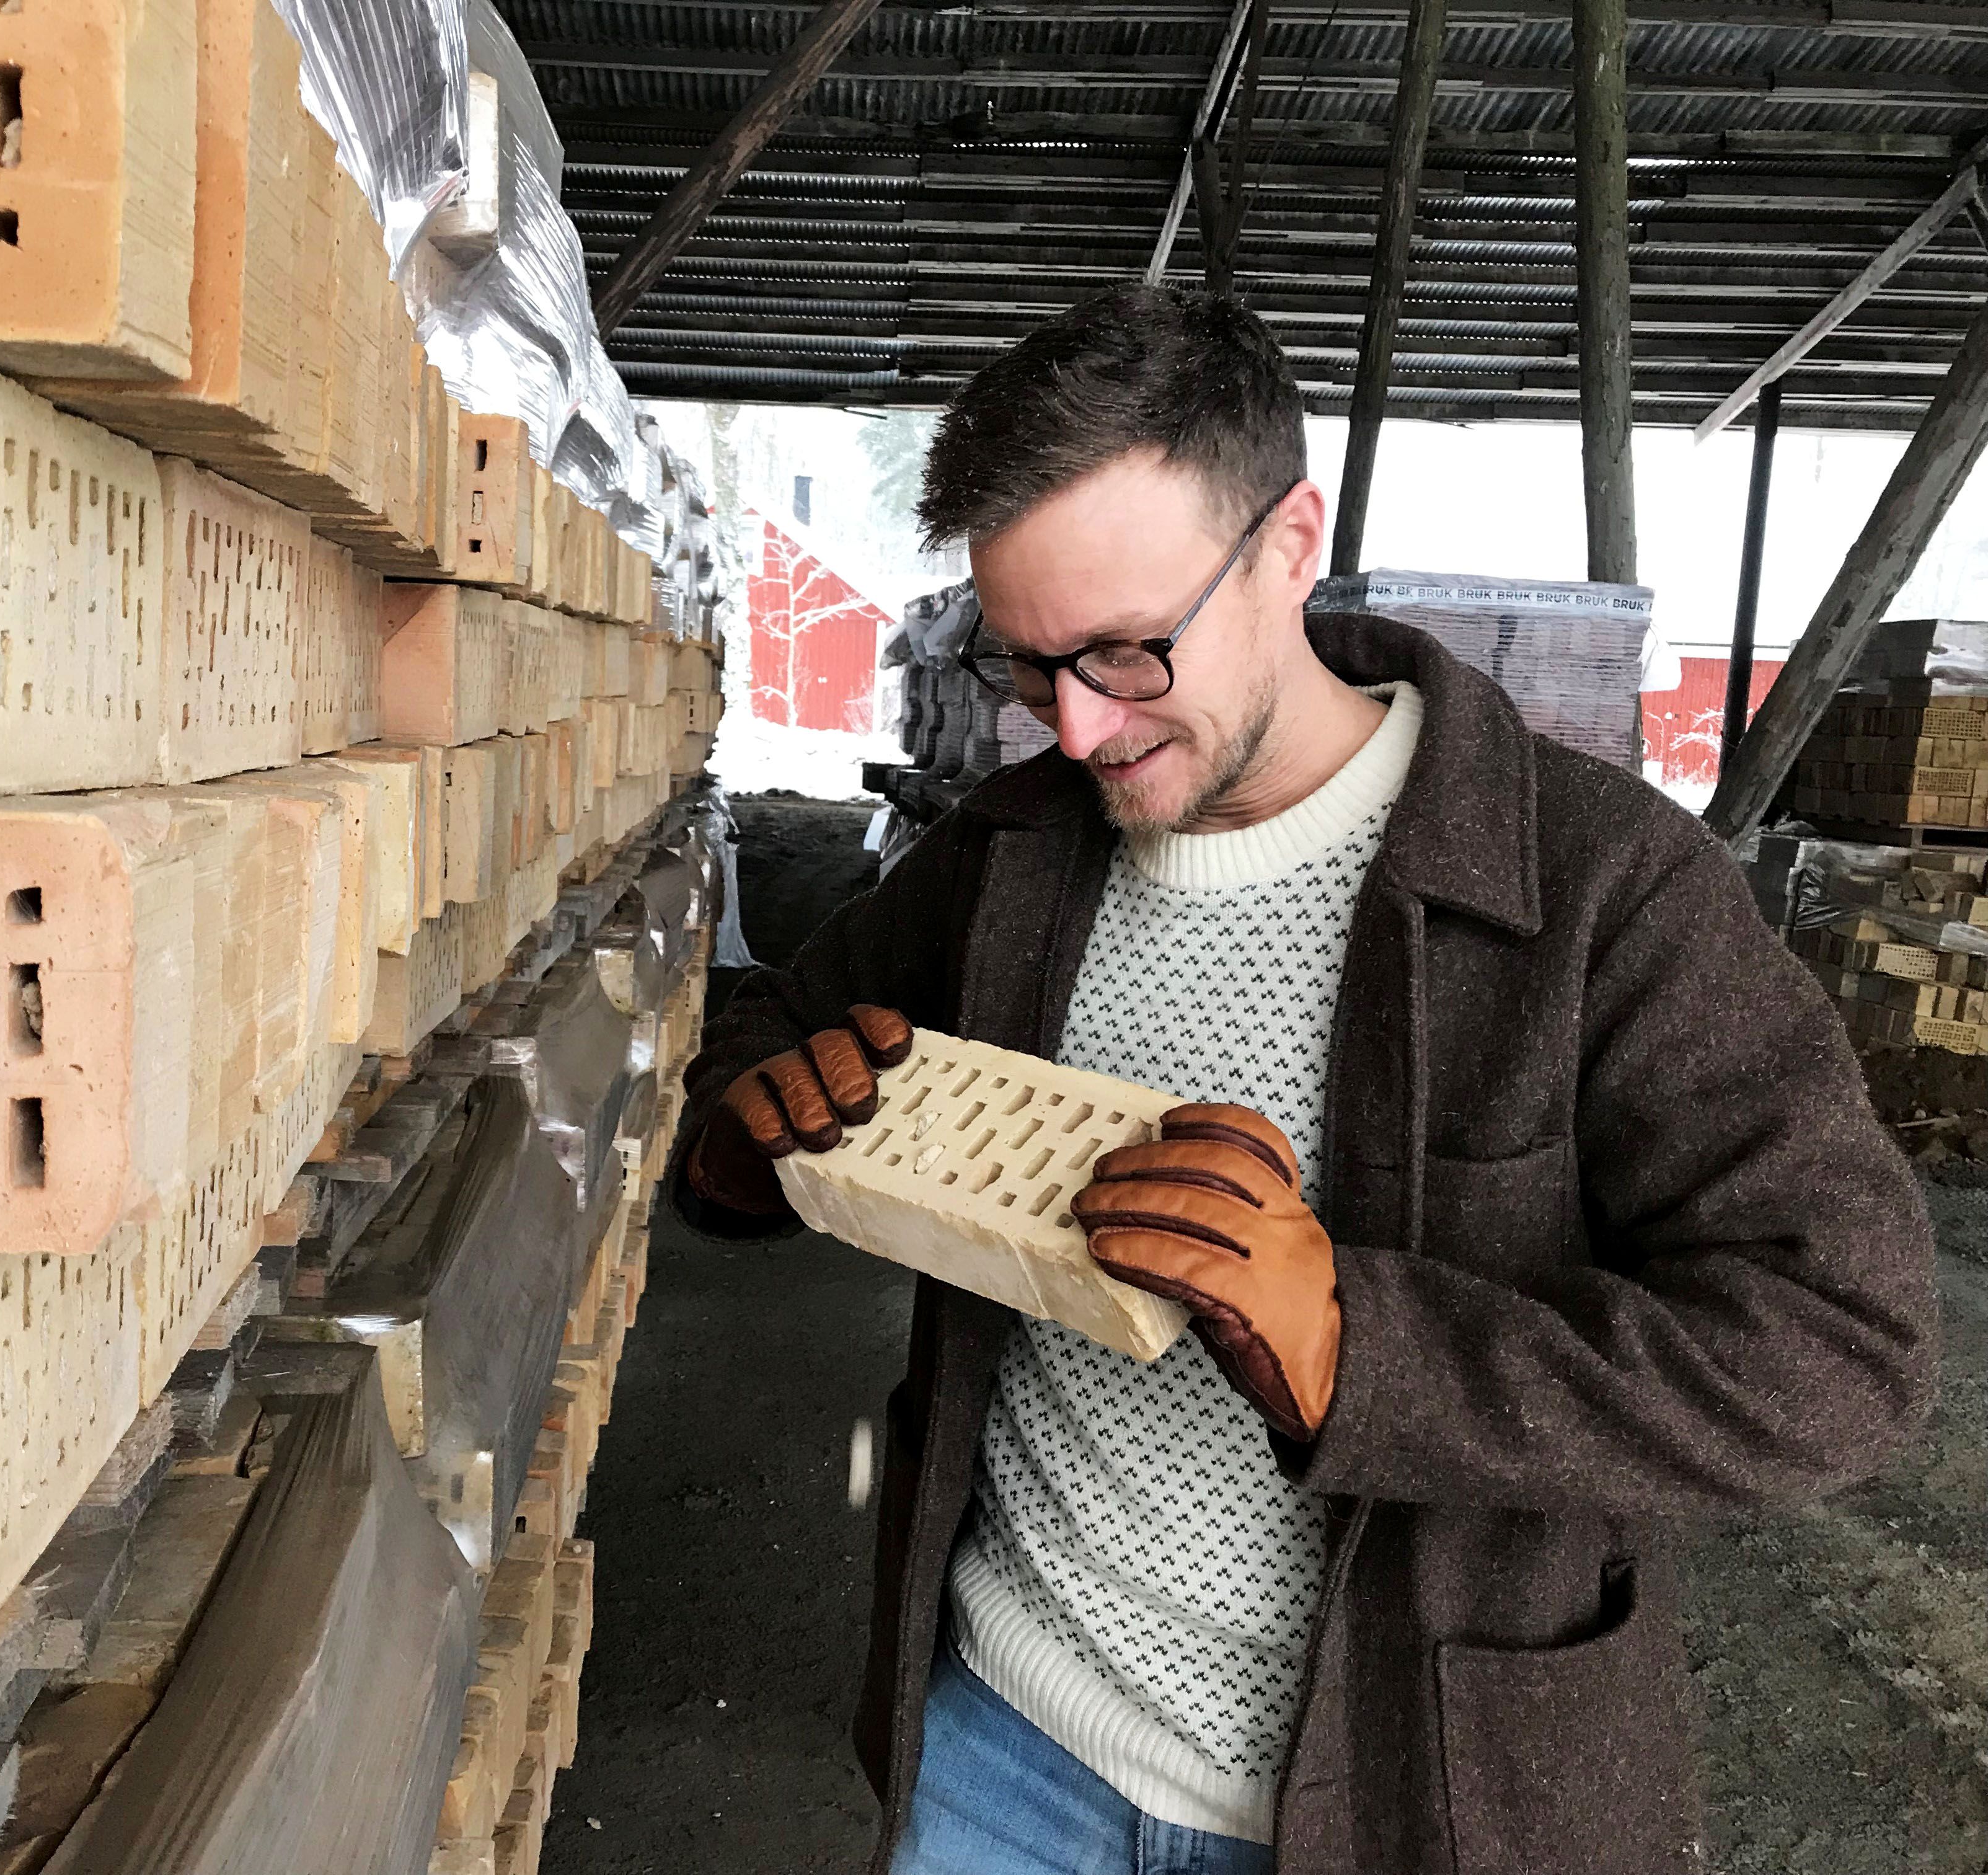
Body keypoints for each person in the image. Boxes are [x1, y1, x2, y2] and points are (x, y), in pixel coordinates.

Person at [670, 284, 1939, 1875]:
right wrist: (742, 1138)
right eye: (1029, 664)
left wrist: (1361, 1345)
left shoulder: (1606, 892)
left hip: (1409, 1791)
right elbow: (760, 1026)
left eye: (1128, 653)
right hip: (1007, 1735)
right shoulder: (1012, 860)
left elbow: (1841, 1355)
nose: (1074, 727)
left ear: (1287, 543)